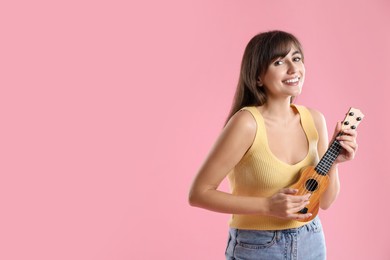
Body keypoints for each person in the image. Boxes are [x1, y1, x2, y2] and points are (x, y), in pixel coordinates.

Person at [188, 30, 358, 260]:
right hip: (257, 245)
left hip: (311, 239)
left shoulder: (315, 120)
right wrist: (267, 206)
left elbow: (325, 202)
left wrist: (334, 164)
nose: (293, 68)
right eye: (279, 62)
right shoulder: (246, 124)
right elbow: (198, 193)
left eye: (296, 58)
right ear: (258, 77)